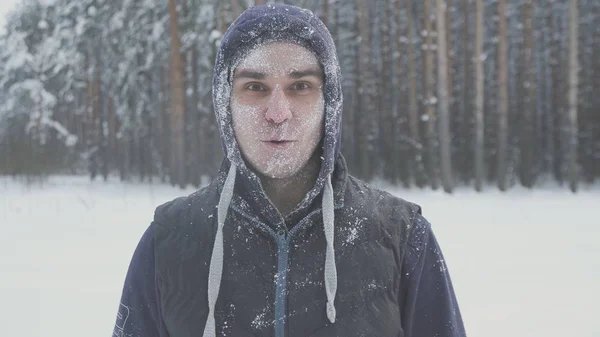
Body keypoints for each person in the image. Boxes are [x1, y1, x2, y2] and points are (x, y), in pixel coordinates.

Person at [113, 4, 466, 337]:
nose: (278, 113)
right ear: (226, 104)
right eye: (255, 87)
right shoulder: (168, 240)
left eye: (300, 86)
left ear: (330, 101)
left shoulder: (402, 235)